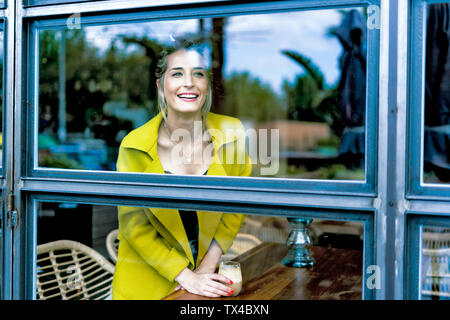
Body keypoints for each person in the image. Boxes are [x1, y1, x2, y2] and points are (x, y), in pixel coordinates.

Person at [112, 40, 252, 300]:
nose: (189, 82)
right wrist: (187, 277)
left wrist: (207, 267)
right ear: (160, 85)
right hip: (146, 288)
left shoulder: (232, 133)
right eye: (177, 73)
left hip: (204, 285)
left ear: (206, 84)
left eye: (197, 73)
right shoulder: (134, 145)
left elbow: (236, 208)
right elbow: (134, 226)